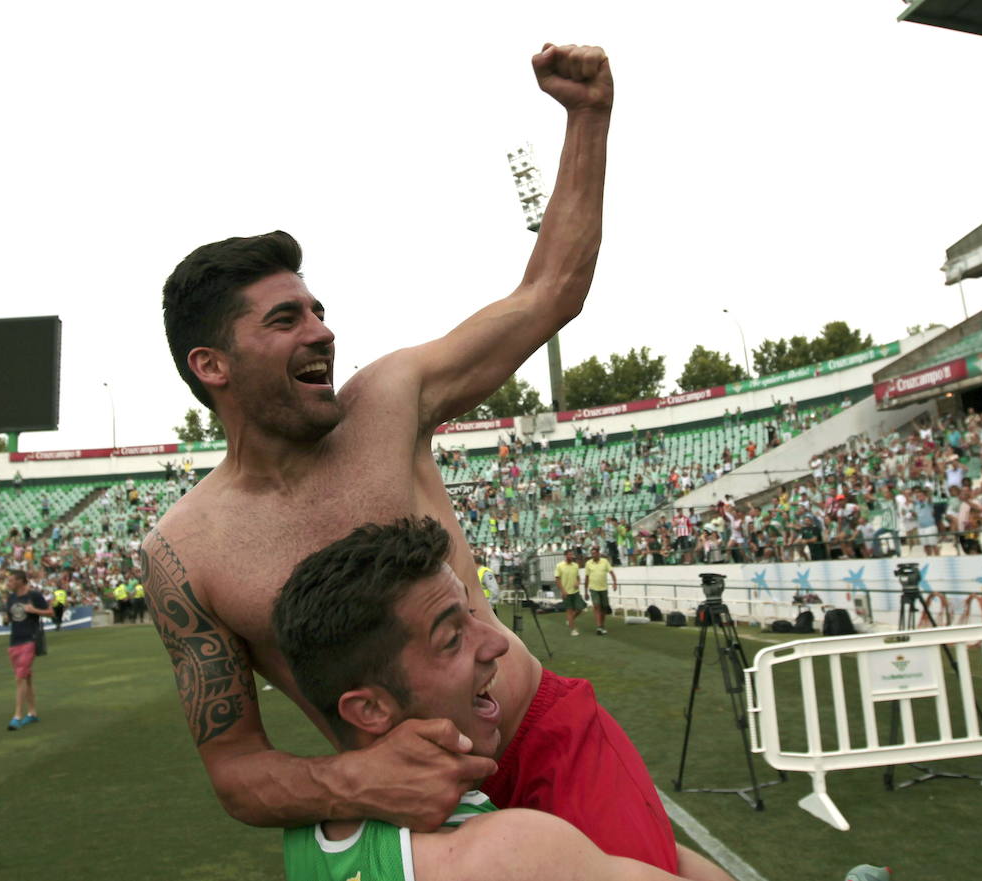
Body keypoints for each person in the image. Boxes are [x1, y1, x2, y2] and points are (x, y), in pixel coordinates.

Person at [141, 43, 682, 875]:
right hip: (418, 817)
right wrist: (356, 778)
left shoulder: (390, 398)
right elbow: (236, 770)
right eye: (284, 320)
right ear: (211, 366)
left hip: (545, 735)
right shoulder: (184, 555)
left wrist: (587, 118)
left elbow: (550, 293)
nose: (322, 330)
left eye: (319, 310)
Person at [272, 518, 727, 881]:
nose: (497, 643)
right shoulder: (509, 852)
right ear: (369, 709)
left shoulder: (302, 835)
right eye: (452, 637)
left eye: (473, 613)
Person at [6, 570, 51, 731]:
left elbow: (50, 613)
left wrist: (35, 611)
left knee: (20, 677)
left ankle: (17, 716)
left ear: (20, 581)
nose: (8, 583)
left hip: (30, 639)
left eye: (11, 580)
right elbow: (9, 618)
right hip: (14, 640)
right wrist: (6, 618)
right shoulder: (11, 598)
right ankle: (32, 713)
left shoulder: (34, 596)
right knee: (26, 678)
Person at [584, 545, 617, 635]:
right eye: (592, 554)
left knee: (604, 608)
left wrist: (614, 583)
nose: (593, 555)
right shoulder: (588, 563)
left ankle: (602, 625)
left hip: (603, 588)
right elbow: (586, 578)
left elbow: (612, 573)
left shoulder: (605, 561)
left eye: (594, 553)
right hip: (593, 589)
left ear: (598, 553)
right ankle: (599, 627)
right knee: (597, 606)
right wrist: (586, 591)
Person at [556, 550, 585, 636]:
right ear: (565, 556)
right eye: (570, 554)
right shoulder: (559, 566)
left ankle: (570, 620)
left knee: (580, 609)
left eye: (572, 554)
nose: (572, 556)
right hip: (566, 593)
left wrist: (578, 582)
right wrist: (562, 591)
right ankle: (573, 629)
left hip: (575, 592)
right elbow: (557, 580)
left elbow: (578, 577)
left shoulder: (575, 565)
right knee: (569, 611)